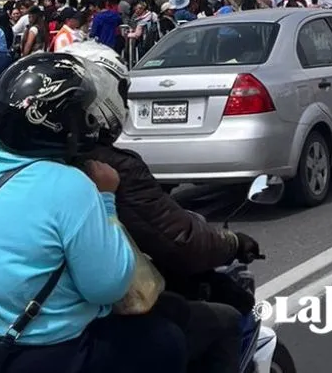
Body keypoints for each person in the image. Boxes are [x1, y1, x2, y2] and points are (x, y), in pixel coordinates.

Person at [0, 50, 189, 373]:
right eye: (80, 113)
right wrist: (106, 198)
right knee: (168, 341)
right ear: (56, 123)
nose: (88, 122)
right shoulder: (70, 186)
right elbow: (108, 287)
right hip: (44, 349)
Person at [65, 41, 256, 373]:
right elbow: (177, 241)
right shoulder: (108, 169)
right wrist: (233, 243)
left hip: (14, 326)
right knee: (223, 321)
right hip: (85, 321)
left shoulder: (9, 165)